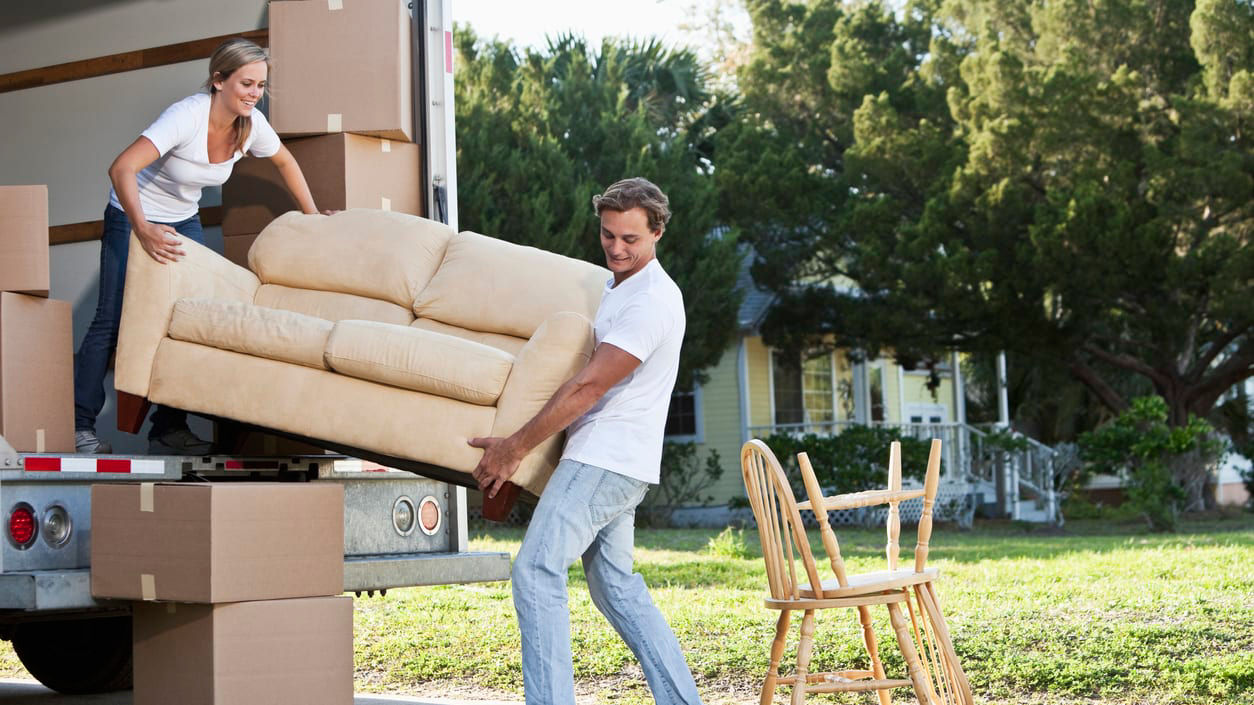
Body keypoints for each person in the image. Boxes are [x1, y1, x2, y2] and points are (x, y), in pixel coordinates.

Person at [469, 178, 703, 705]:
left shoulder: (652, 302)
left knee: (535, 571)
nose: (617, 249)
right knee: (614, 587)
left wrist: (514, 446)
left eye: (630, 240)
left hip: (604, 460)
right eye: (607, 236)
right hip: (618, 462)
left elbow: (589, 385)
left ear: (658, 233)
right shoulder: (618, 286)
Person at [74, 38, 323, 455]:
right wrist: (142, 227)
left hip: (183, 219)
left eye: (261, 86)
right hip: (131, 214)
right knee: (111, 318)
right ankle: (81, 426)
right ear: (218, 80)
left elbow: (285, 161)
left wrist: (314, 217)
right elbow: (121, 168)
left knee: (188, 319)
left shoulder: (251, 125)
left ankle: (167, 427)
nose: (254, 94)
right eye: (246, 83)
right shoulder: (186, 116)